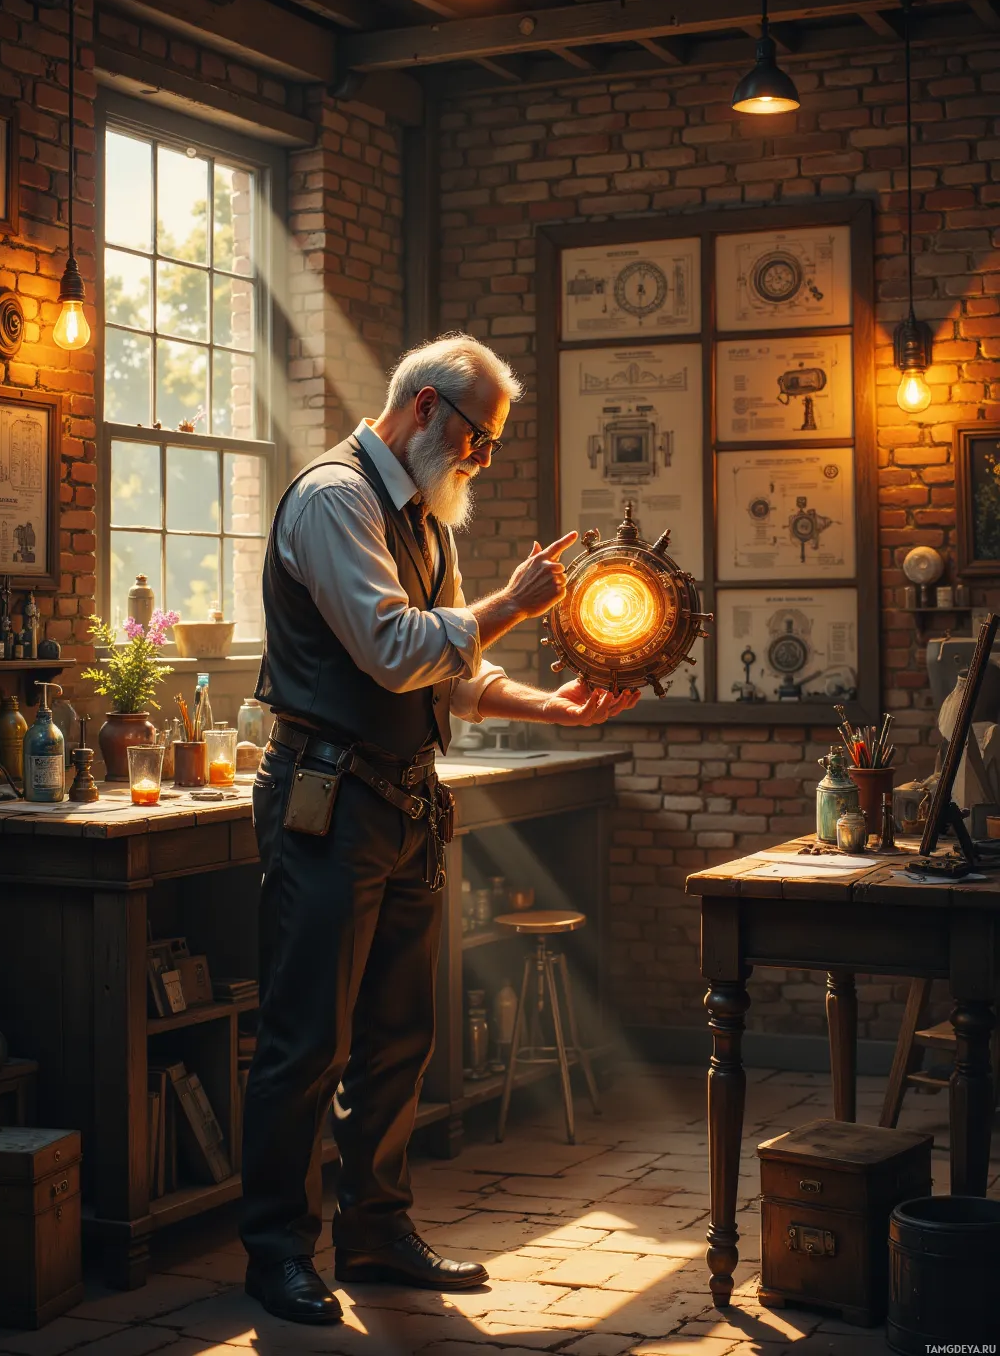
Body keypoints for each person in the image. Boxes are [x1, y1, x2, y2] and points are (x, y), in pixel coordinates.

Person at [241, 333, 640, 1325]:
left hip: (405, 800)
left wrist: (553, 707)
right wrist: (512, 603)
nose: (483, 459)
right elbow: (392, 649)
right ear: (426, 407)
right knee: (307, 1040)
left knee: (398, 1038)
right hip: (326, 801)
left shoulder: (427, 520)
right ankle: (276, 1253)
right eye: (478, 438)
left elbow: (450, 672)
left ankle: (375, 1232)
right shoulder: (333, 499)